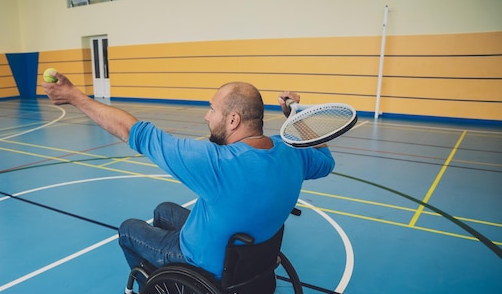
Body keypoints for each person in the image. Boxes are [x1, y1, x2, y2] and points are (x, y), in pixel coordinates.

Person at [43, 73, 335, 280]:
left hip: (208, 260)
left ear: (233, 120)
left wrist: (75, 97)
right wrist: (293, 119)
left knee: (129, 229)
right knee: (164, 211)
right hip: (251, 253)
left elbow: (135, 132)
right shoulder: (291, 151)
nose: (206, 117)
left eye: (212, 109)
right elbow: (326, 160)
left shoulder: (216, 163)